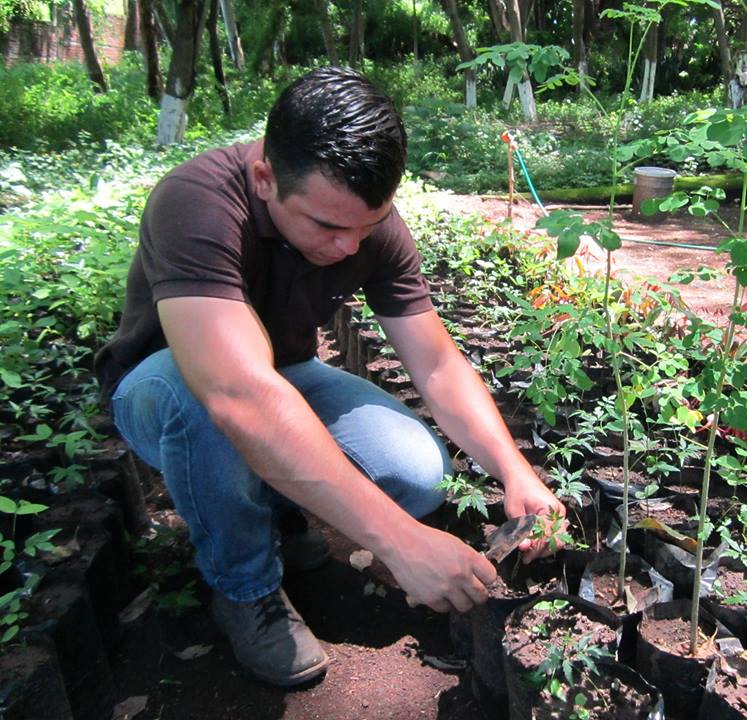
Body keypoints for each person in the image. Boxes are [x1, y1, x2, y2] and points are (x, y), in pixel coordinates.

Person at [94, 66, 565, 687]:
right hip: (168, 389)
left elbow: (437, 362)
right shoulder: (196, 202)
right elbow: (237, 393)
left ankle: (271, 508)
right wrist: (400, 543)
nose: (349, 247)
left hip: (286, 374)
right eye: (327, 226)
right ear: (266, 176)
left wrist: (515, 472)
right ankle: (243, 586)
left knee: (417, 472)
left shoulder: (366, 224)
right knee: (205, 407)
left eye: (366, 227)